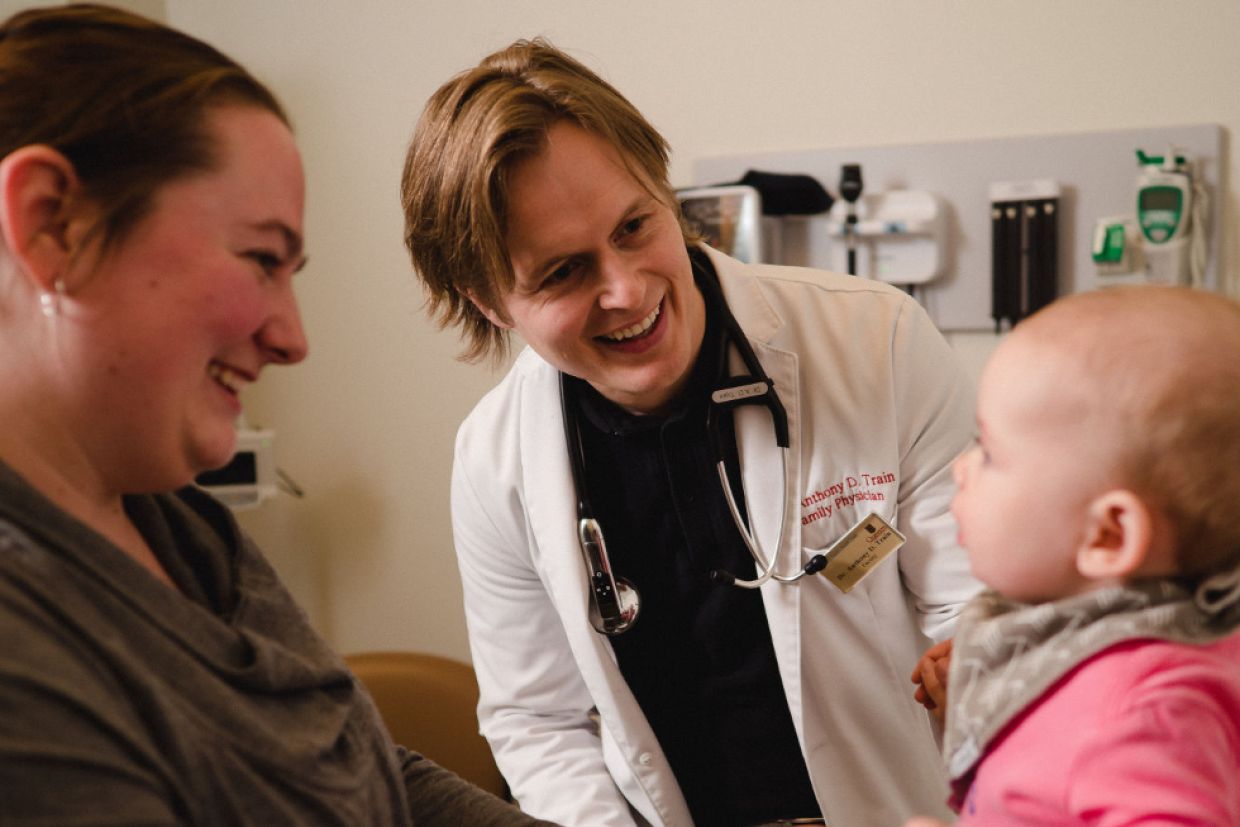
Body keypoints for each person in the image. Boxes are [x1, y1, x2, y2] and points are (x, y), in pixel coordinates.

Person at [401, 38, 981, 827]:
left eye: (636, 226)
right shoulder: (495, 459)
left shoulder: (875, 343)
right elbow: (538, 719)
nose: (626, 289)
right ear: (490, 300)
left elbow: (975, 618)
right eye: (564, 272)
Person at [0, 6, 556, 825]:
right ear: (53, 222)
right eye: (261, 258)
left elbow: (358, 765)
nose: (292, 339)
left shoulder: (181, 528)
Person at [906, 286, 1240, 826]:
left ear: (1108, 535)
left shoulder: (1140, 717)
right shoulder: (1109, 651)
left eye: (989, 452)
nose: (958, 470)